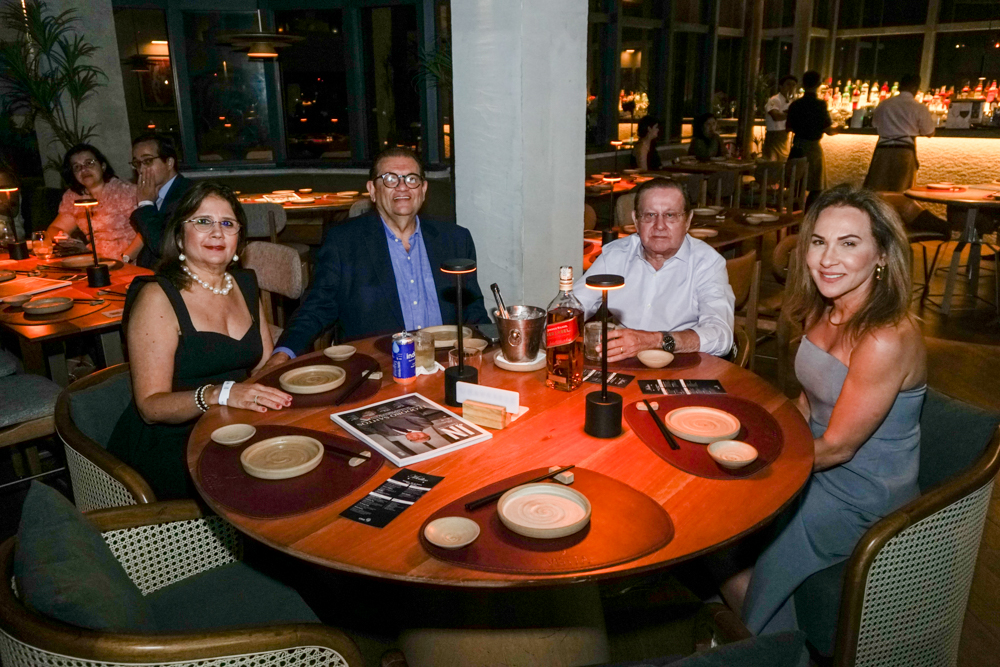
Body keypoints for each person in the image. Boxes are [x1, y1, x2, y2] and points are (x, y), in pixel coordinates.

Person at [727, 185, 926, 636]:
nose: (827, 259)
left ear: (882, 254)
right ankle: (762, 634)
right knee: (720, 519)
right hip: (813, 465)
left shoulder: (884, 337)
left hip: (861, 496)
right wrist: (752, 433)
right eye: (818, 241)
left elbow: (838, 447)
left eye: (849, 243)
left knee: (746, 526)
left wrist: (753, 463)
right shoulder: (825, 309)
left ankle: (770, 646)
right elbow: (806, 403)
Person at [107, 182, 292, 499]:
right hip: (173, 444)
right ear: (180, 236)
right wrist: (217, 394)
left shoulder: (245, 284)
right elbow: (150, 406)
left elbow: (262, 368)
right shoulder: (157, 297)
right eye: (203, 221)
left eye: (228, 223)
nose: (217, 233)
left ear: (239, 238)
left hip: (233, 427)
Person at [260, 147, 489, 373]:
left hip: (447, 366)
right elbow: (317, 307)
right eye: (390, 179)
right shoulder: (344, 242)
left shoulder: (455, 239)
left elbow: (473, 309)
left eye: (411, 179)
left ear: (423, 189)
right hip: (378, 369)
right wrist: (283, 354)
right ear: (372, 190)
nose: (402, 186)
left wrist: (495, 346)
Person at [573, 178, 734, 359]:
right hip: (623, 360)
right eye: (650, 215)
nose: (659, 226)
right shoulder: (615, 255)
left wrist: (655, 340)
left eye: (670, 215)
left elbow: (722, 337)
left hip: (682, 361)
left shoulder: (707, 263)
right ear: (636, 220)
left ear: (688, 221)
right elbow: (573, 306)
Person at [46, 144, 142, 261]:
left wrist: (126, 258)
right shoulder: (74, 197)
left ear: (103, 166)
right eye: (77, 167)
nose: (84, 170)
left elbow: (144, 232)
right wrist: (61, 237)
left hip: (128, 259)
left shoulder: (124, 191)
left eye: (89, 163)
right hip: (94, 260)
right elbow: (54, 228)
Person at [129, 132, 194, 268]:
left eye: (148, 161)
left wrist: (145, 204)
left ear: (169, 163)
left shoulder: (187, 193)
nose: (141, 169)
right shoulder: (152, 191)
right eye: (137, 163)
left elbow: (164, 246)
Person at [864, 74, 936, 193]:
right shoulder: (919, 107)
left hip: (882, 149)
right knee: (901, 192)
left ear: (900, 87)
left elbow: (874, 124)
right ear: (915, 88)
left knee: (877, 192)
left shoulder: (884, 104)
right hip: (904, 151)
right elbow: (929, 132)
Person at [786, 71, 837, 210]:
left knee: (796, 185)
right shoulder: (820, 105)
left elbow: (788, 127)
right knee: (816, 187)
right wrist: (838, 129)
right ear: (819, 84)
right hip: (813, 148)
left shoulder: (795, 104)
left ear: (803, 84)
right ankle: (809, 214)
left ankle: (794, 213)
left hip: (797, 146)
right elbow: (828, 130)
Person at [763, 75, 798, 161]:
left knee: (782, 163)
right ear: (781, 86)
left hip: (784, 136)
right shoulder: (775, 99)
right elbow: (776, 116)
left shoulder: (791, 101)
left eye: (793, 85)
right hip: (774, 137)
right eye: (788, 84)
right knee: (772, 163)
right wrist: (791, 114)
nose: (791, 87)